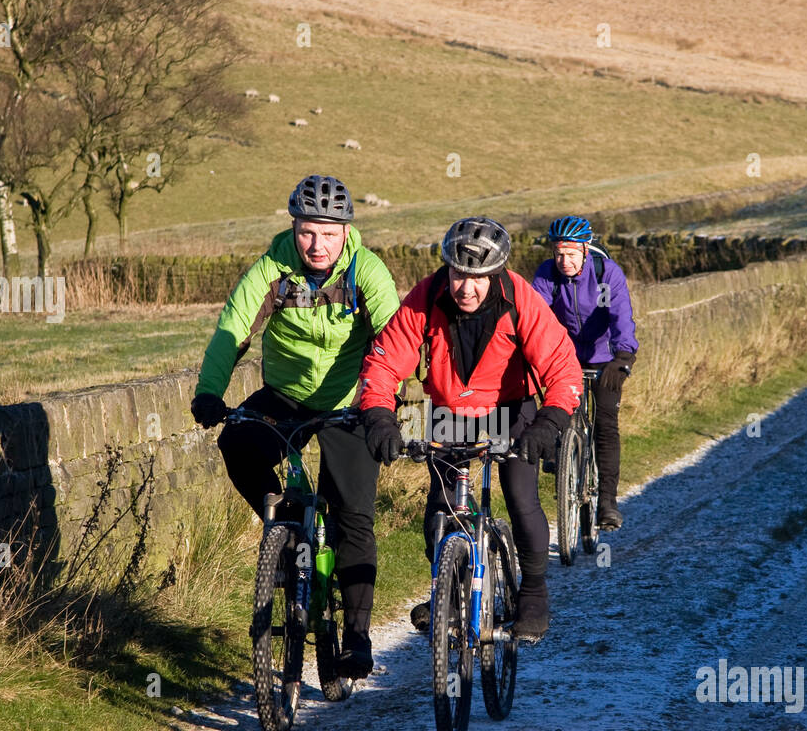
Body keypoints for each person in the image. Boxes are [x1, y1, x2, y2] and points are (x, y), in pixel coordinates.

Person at [189, 175, 400, 679]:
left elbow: (397, 339)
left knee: (352, 513)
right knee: (237, 441)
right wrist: (209, 392)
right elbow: (231, 332)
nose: (318, 245)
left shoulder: (367, 272)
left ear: (347, 232)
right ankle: (282, 523)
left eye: (329, 233)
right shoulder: (272, 270)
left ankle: (356, 634)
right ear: (293, 228)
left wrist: (384, 407)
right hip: (284, 397)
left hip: (351, 403)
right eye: (308, 232)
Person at [357, 217, 582, 643]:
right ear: (447, 269)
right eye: (459, 274)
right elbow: (385, 364)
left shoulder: (520, 297)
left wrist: (549, 423)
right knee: (442, 506)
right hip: (451, 413)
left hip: (512, 410)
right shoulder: (426, 296)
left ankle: (533, 592)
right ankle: (449, 588)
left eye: (478, 278)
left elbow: (562, 366)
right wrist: (379, 416)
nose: (466, 288)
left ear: (495, 274)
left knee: (520, 495)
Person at [531, 215, 638, 528]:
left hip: (605, 354)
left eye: (572, 254)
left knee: (606, 424)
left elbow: (621, 317)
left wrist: (623, 357)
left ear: (585, 250)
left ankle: (607, 502)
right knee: (555, 407)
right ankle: (559, 451)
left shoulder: (607, 274)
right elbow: (534, 316)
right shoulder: (547, 275)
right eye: (559, 253)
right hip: (566, 355)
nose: (565, 261)